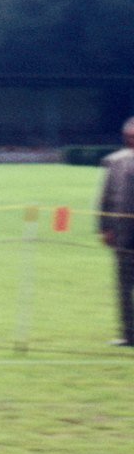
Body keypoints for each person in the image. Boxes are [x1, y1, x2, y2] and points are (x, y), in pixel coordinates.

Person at [97, 116, 134, 346]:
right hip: (123, 235)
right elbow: (105, 197)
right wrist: (104, 227)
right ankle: (128, 334)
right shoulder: (114, 162)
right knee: (124, 287)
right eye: (129, 136)